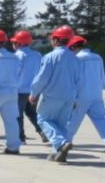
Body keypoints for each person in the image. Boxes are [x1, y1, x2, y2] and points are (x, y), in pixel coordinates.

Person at [30, 25, 81, 162]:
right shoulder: (75, 58)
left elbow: (42, 78)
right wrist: (76, 98)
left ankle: (62, 143)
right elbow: (78, 80)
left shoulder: (50, 57)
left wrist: (34, 93)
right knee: (60, 124)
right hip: (69, 96)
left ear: (56, 40)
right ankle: (59, 153)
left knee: (42, 119)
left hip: (52, 95)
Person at [66, 35, 105, 153]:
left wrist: (71, 96)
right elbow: (102, 77)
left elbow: (73, 79)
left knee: (72, 121)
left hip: (80, 96)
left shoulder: (76, 59)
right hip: (96, 95)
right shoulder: (97, 57)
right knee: (101, 120)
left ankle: (65, 143)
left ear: (73, 47)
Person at [12, 30, 46, 143]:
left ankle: (21, 137)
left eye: (14, 42)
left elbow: (15, 73)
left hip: (20, 90)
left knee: (18, 114)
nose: (13, 45)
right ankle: (43, 132)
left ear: (19, 43)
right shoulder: (37, 55)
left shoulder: (17, 55)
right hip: (34, 90)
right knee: (32, 113)